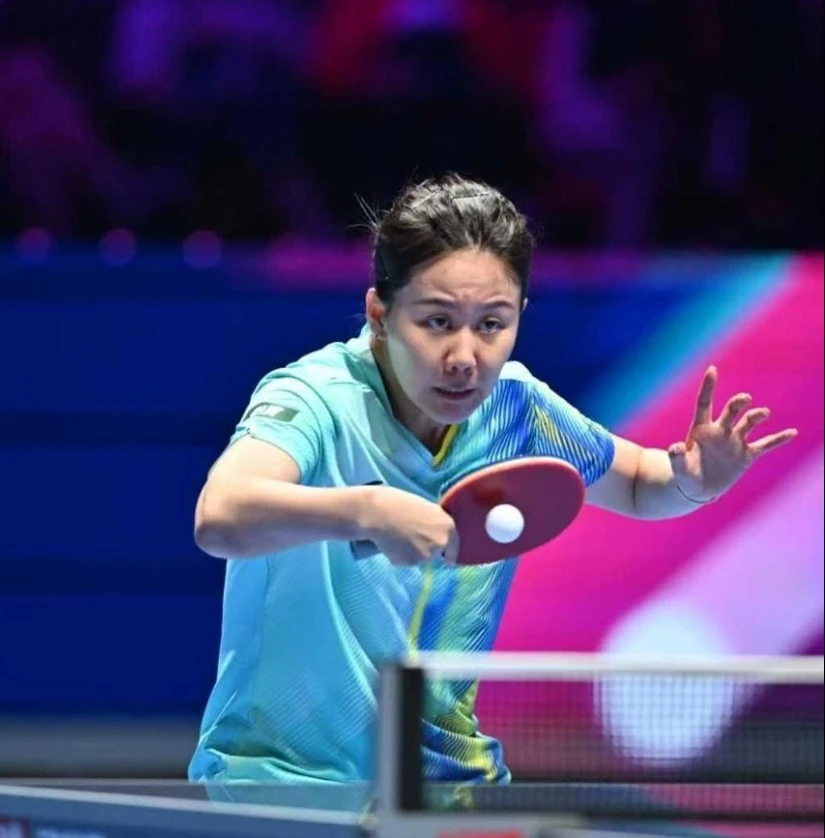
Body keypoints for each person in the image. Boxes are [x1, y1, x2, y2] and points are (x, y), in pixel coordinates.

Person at [188, 173, 797, 786]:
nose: (464, 357)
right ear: (380, 313)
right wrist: (369, 511)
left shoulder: (515, 407)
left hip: (448, 793)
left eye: (490, 325)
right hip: (282, 787)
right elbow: (222, 515)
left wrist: (694, 480)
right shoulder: (317, 399)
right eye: (437, 321)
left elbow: (640, 481)